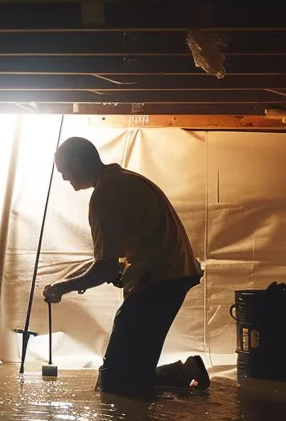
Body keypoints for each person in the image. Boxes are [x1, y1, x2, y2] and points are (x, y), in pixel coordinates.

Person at [42, 137, 210, 398]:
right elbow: (117, 257)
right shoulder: (123, 180)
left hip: (161, 280)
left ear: (77, 161)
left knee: (114, 381)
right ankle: (186, 372)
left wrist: (64, 287)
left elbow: (106, 268)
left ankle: (153, 413)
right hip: (170, 274)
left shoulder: (105, 194)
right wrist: (66, 281)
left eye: (63, 170)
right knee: (131, 367)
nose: (64, 178)